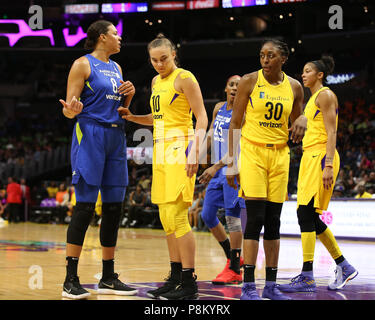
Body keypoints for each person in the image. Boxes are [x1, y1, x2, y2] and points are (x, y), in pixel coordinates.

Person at [119, 33, 208, 300]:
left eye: (164, 59)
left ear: (174, 55)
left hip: (181, 148)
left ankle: (189, 283)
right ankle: (175, 276)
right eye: (154, 60)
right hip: (160, 149)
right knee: (166, 219)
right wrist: (133, 117)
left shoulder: (185, 77)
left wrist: (196, 151)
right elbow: (157, 119)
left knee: (179, 216)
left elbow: (202, 117)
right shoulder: (157, 81)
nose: (159, 64)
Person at [59, 19, 138, 299]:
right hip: (90, 133)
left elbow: (120, 111)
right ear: (102, 37)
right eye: (116, 34)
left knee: (115, 208)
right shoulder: (83, 64)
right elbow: (69, 109)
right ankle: (70, 278)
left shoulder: (116, 68)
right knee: (85, 207)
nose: (120, 38)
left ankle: (107, 276)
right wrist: (72, 109)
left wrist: (129, 99)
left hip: (116, 136)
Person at [226, 39, 307, 300]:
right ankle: (248, 285)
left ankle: (270, 286)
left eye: (270, 56)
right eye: (262, 55)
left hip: (280, 155)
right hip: (253, 153)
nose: (265, 60)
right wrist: (231, 162)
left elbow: (297, 122)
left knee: (274, 222)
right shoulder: (250, 81)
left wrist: (303, 118)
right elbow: (235, 122)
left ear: (283, 58)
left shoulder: (294, 87)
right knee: (256, 219)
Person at [278, 56, 358, 293]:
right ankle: (344, 265)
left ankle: (307, 275)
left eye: (308, 71)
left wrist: (330, 165)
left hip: (322, 156)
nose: (303, 74)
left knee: (305, 213)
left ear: (319, 75)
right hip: (309, 157)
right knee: (308, 216)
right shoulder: (312, 99)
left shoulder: (325, 95)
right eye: (303, 71)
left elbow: (332, 131)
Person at [198, 75, 245, 285]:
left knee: (232, 218)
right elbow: (210, 134)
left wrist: (216, 166)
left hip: (232, 169)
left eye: (239, 85)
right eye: (232, 84)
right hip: (217, 170)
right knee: (207, 215)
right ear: (226, 87)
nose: (235, 88)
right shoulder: (218, 108)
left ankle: (235, 269)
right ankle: (233, 256)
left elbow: (235, 148)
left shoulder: (243, 113)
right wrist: (196, 156)